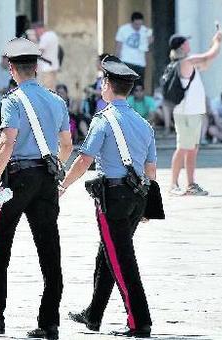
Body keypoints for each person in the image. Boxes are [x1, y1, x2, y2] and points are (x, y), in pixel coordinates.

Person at [0, 37, 72, 339]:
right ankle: (49, 322)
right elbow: (67, 144)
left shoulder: (12, 101)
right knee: (50, 250)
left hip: (17, 177)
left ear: (11, 69)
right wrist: (55, 166)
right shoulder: (56, 100)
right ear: (36, 68)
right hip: (46, 178)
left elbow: (6, 142)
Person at [61, 56, 156, 338]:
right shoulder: (143, 123)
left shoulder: (103, 119)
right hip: (137, 196)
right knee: (108, 253)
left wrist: (63, 185)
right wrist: (150, 205)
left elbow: (84, 160)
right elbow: (151, 169)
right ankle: (94, 314)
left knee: (121, 258)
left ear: (107, 85)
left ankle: (140, 321)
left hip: (113, 196)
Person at [167, 29, 222, 196]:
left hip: (192, 112)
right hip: (186, 112)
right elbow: (208, 56)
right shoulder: (185, 61)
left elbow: (207, 62)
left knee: (192, 148)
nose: (189, 43)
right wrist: (217, 42)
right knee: (183, 147)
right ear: (182, 46)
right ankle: (173, 184)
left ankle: (191, 184)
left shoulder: (187, 62)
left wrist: (216, 45)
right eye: (186, 41)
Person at [115, 12, 154, 86]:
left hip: (140, 62)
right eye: (136, 24)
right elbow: (118, 45)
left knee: (138, 85)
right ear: (132, 22)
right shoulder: (123, 29)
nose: (138, 27)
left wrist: (149, 36)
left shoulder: (145, 30)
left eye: (140, 24)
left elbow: (149, 44)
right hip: (126, 61)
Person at [32, 22, 60, 90]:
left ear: (39, 29)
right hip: (53, 68)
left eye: (35, 31)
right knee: (51, 90)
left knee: (46, 91)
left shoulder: (44, 37)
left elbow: (40, 52)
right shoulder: (53, 35)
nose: (35, 33)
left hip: (46, 69)